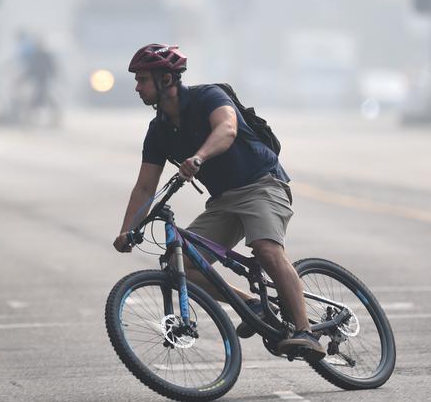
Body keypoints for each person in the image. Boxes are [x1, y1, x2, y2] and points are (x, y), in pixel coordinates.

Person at [113, 43, 326, 359]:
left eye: (143, 79)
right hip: (224, 201)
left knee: (267, 250)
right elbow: (144, 188)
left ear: (167, 80)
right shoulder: (158, 131)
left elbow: (227, 129)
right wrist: (127, 230)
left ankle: (305, 331)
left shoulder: (208, 96)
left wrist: (199, 157)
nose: (137, 87)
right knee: (178, 263)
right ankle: (251, 304)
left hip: (263, 184)